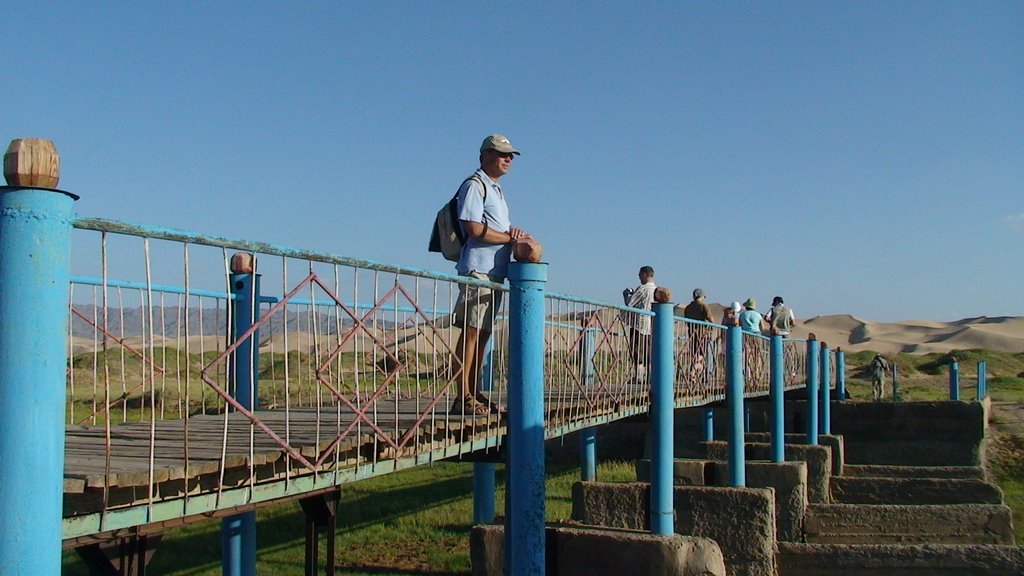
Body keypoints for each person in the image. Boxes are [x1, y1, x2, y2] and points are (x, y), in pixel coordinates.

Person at [451, 134, 531, 415]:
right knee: (471, 334)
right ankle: (462, 397)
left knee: (482, 335)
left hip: (493, 271)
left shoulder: (495, 189)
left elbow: (496, 228)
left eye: (510, 155)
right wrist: (509, 237)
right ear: (484, 155)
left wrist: (511, 235)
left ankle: (474, 392)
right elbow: (473, 228)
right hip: (478, 269)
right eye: (501, 154)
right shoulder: (475, 185)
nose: (508, 159)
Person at [621, 266, 657, 382]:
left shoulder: (643, 289)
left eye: (640, 275)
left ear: (645, 275)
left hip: (638, 324)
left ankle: (639, 377)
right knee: (648, 351)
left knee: (637, 349)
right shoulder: (656, 290)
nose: (639, 277)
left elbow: (630, 303)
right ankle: (649, 376)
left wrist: (627, 294)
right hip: (651, 325)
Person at [683, 288, 714, 384]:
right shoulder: (704, 306)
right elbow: (710, 319)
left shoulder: (688, 307)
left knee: (694, 353)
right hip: (702, 333)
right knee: (701, 354)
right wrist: (711, 327)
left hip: (691, 332)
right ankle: (693, 372)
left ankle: (695, 376)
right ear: (701, 296)